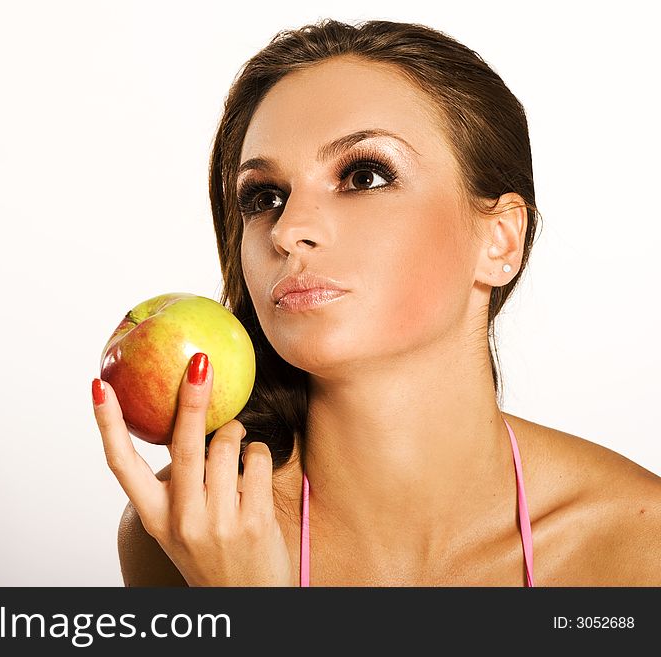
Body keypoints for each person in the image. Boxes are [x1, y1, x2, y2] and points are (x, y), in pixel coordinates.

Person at [92, 19, 661, 586]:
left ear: (500, 239)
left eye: (364, 176)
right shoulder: (195, 530)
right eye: (264, 196)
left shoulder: (640, 540)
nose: (288, 230)